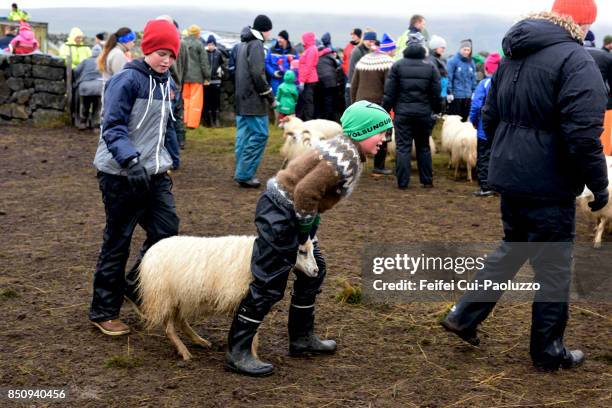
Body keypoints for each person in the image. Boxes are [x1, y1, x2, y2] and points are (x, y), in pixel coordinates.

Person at [441, 2, 609, 372]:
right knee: (553, 268)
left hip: (512, 174)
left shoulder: (514, 56)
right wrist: (600, 184)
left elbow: (490, 114)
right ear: (584, 22)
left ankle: (464, 315)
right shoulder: (575, 61)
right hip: (548, 181)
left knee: (513, 248)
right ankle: (548, 350)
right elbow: (583, 133)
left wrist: (504, 158)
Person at [225, 100, 393, 376]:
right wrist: (304, 234)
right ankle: (237, 350)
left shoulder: (347, 149)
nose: (385, 139)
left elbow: (314, 197)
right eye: (380, 132)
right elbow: (305, 192)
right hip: (281, 213)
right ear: (363, 131)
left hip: (290, 213)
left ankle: (302, 339)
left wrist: (309, 230)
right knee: (269, 282)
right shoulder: (344, 157)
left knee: (314, 272)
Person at [89, 18, 181, 336]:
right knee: (118, 240)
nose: (165, 60)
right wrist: (130, 159)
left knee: (167, 233)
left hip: (154, 173)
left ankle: (135, 285)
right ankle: (103, 311)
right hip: (119, 173)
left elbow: (167, 125)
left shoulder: (170, 84)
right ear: (146, 49)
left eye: (171, 54)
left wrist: (172, 155)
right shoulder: (127, 80)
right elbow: (112, 126)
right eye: (160, 52)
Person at [383, 32, 441, 189]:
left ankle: (403, 182)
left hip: (403, 113)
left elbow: (390, 93)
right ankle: (426, 180)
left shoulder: (397, 66)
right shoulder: (430, 66)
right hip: (424, 114)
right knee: (423, 146)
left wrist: (385, 110)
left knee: (403, 147)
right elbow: (436, 93)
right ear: (423, 47)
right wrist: (436, 111)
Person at [234, 15, 275, 188]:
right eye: (269, 30)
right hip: (253, 101)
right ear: (265, 30)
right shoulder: (257, 44)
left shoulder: (243, 44)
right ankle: (244, 174)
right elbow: (258, 74)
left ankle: (240, 169)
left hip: (241, 99)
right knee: (260, 135)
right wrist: (269, 96)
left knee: (244, 135)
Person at [351, 33, 396, 175]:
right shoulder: (388, 62)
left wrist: (354, 104)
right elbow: (389, 88)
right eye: (394, 49)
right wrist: (389, 106)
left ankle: (353, 164)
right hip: (378, 104)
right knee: (381, 135)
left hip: (360, 103)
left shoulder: (363, 60)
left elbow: (354, 85)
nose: (395, 52)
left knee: (359, 134)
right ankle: (379, 166)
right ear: (389, 50)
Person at [469, 52, 501, 197]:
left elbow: (476, 105)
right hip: (502, 129)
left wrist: (474, 121)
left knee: (484, 156)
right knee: (499, 156)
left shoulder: (485, 83)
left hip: (485, 128)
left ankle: (485, 186)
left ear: (487, 68)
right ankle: (499, 185)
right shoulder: (506, 82)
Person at [183, 24, 211, 129]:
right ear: (197, 33)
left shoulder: (182, 43)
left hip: (184, 77)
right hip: (196, 77)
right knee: (195, 100)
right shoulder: (199, 44)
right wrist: (207, 77)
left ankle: (184, 120)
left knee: (185, 99)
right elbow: (204, 63)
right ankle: (192, 123)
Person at [446, 39, 477, 122]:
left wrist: (474, 91)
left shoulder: (471, 62)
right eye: (464, 49)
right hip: (456, 96)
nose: (466, 52)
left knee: (465, 119)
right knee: (455, 120)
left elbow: (473, 78)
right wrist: (449, 92)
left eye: (468, 50)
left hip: (468, 96)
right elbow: (449, 77)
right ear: (460, 49)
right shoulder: (453, 61)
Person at [74, 46, 103, 130]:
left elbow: (76, 70)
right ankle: (96, 125)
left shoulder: (85, 61)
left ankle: (83, 123)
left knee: (84, 105)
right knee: (97, 106)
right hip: (99, 86)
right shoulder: (102, 61)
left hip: (85, 85)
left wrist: (78, 79)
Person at [315, 32, 341, 121]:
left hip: (321, 82)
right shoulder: (329, 53)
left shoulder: (316, 56)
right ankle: (331, 119)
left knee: (323, 101)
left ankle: (325, 119)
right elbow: (337, 64)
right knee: (330, 101)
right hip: (332, 80)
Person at [347, 30, 377, 105]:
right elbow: (352, 70)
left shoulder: (369, 51)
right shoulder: (357, 51)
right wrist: (354, 87)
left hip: (364, 86)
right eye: (370, 41)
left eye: (373, 42)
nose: (371, 43)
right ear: (364, 40)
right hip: (355, 86)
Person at [265, 30, 299, 96]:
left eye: (281, 38)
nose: (279, 40)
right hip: (274, 81)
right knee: (275, 101)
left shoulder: (294, 52)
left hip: (288, 83)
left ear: (286, 40)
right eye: (278, 38)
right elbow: (266, 63)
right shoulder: (272, 50)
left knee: (286, 101)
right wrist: (273, 72)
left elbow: (297, 68)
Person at [296, 32, 319, 121]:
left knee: (308, 101)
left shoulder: (311, 50)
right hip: (307, 79)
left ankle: (308, 120)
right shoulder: (310, 49)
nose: (303, 41)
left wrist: (302, 81)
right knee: (304, 100)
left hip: (309, 80)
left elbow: (308, 67)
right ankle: (303, 118)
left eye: (304, 39)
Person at [204, 35, 225, 127]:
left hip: (216, 81)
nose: (210, 46)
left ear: (215, 45)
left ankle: (216, 119)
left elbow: (222, 64)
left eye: (212, 44)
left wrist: (220, 71)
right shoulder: (204, 53)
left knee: (216, 101)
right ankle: (208, 121)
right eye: (209, 44)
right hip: (207, 81)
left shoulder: (218, 54)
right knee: (207, 101)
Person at [428, 35, 449, 114]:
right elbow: (435, 77)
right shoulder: (432, 60)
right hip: (437, 92)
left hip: (442, 92)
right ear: (435, 47)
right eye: (442, 48)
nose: (443, 50)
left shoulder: (440, 59)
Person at [342, 28, 362, 106]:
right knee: (348, 97)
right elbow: (344, 59)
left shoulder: (361, 48)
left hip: (357, 76)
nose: (352, 37)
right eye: (352, 35)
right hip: (347, 75)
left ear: (359, 36)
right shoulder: (348, 46)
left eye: (354, 35)